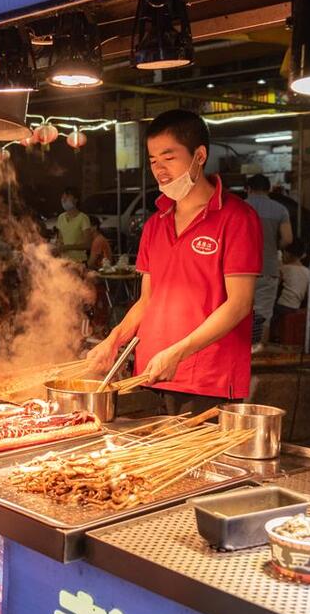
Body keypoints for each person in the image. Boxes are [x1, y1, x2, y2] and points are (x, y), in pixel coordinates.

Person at [87, 110, 262, 412]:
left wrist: (179, 352)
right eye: (153, 160)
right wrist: (113, 340)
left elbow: (239, 304)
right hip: (151, 372)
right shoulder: (156, 223)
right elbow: (147, 300)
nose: (159, 170)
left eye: (169, 157)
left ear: (200, 155)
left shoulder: (237, 219)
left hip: (208, 378)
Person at [244, 174, 293, 345]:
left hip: (239, 271)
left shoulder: (239, 208)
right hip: (267, 268)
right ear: (269, 189)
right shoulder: (280, 210)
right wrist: (273, 247)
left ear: (248, 189)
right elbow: (288, 239)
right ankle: (258, 355)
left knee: (236, 314)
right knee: (263, 314)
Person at [55, 187, 91, 264]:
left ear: (76, 200)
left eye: (67, 197)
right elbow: (60, 239)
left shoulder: (83, 218)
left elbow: (87, 244)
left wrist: (68, 247)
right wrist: (58, 246)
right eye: (62, 197)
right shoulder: (61, 217)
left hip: (79, 262)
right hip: (64, 261)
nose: (64, 200)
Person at [276, 241, 309, 315]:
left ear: (287, 254)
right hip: (296, 308)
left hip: (281, 305)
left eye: (283, 254)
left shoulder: (284, 268)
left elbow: (275, 285)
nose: (282, 256)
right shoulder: (307, 271)